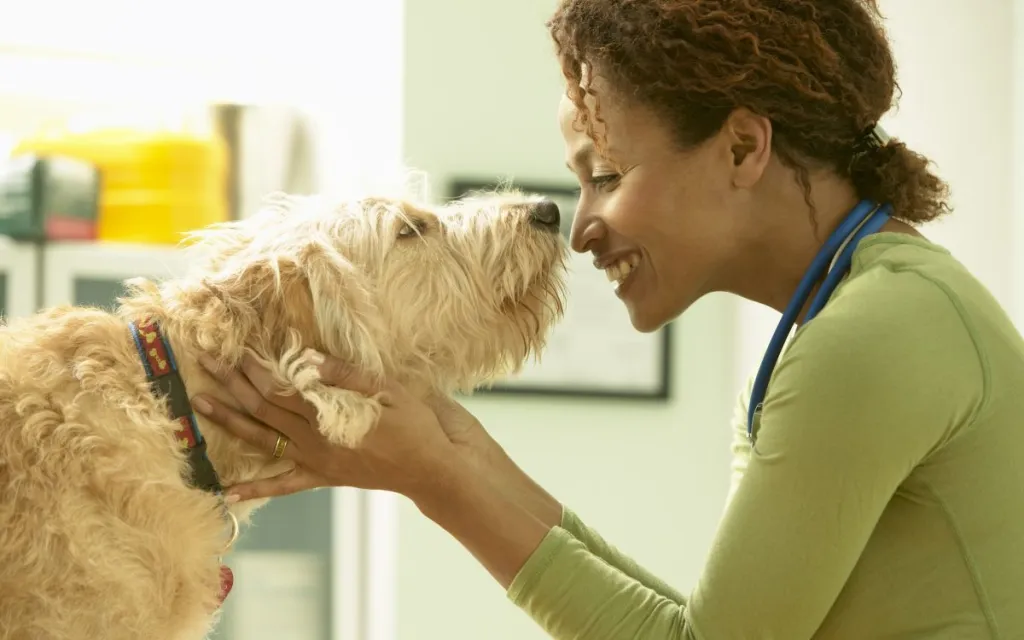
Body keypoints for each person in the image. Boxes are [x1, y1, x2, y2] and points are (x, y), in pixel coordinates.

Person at [188, 0, 1024, 637]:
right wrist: (454, 448)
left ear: (742, 148)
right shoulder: (859, 310)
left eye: (609, 174)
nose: (582, 225)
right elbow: (704, 621)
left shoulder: (875, 334)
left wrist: (438, 480)